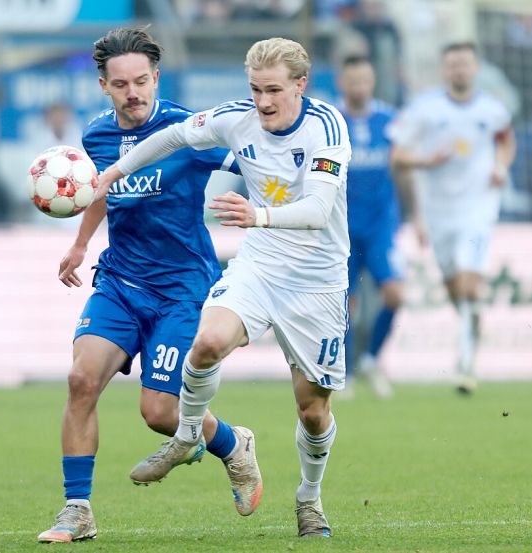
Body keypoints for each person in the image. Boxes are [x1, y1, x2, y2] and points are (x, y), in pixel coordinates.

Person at [98, 37, 352, 538]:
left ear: (301, 85)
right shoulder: (236, 117)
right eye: (256, 89)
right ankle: (188, 436)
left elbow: (319, 211)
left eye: (275, 90)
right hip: (258, 265)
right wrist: (114, 172)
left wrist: (255, 214)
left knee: (313, 410)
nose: (263, 102)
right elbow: (171, 138)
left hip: (317, 282)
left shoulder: (327, 126)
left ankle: (308, 498)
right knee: (208, 341)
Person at [37, 27, 262, 544]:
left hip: (182, 287)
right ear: (103, 86)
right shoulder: (96, 136)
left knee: (160, 414)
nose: (133, 93)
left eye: (141, 81)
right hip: (120, 281)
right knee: (80, 381)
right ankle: (77, 510)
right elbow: (100, 187)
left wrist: (266, 211)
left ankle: (233, 445)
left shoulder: (188, 129)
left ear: (156, 77)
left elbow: (251, 165)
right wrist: (80, 245)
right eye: (121, 85)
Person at [390, 42, 516, 394]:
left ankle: (465, 365)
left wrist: (500, 166)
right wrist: (425, 163)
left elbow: (507, 141)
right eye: (453, 65)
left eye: (465, 64)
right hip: (438, 212)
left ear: (475, 68)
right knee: (455, 288)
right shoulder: (424, 110)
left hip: (478, 208)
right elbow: (399, 157)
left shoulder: (492, 110)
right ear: (444, 70)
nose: (459, 70)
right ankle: (471, 326)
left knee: (467, 282)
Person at [336, 55, 408, 398]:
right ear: (342, 83)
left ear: (373, 81)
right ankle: (346, 373)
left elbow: (403, 168)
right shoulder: (332, 121)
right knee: (344, 304)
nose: (359, 87)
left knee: (395, 294)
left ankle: (370, 358)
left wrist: (417, 217)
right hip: (342, 230)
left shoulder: (389, 120)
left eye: (364, 80)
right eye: (353, 81)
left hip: (381, 227)